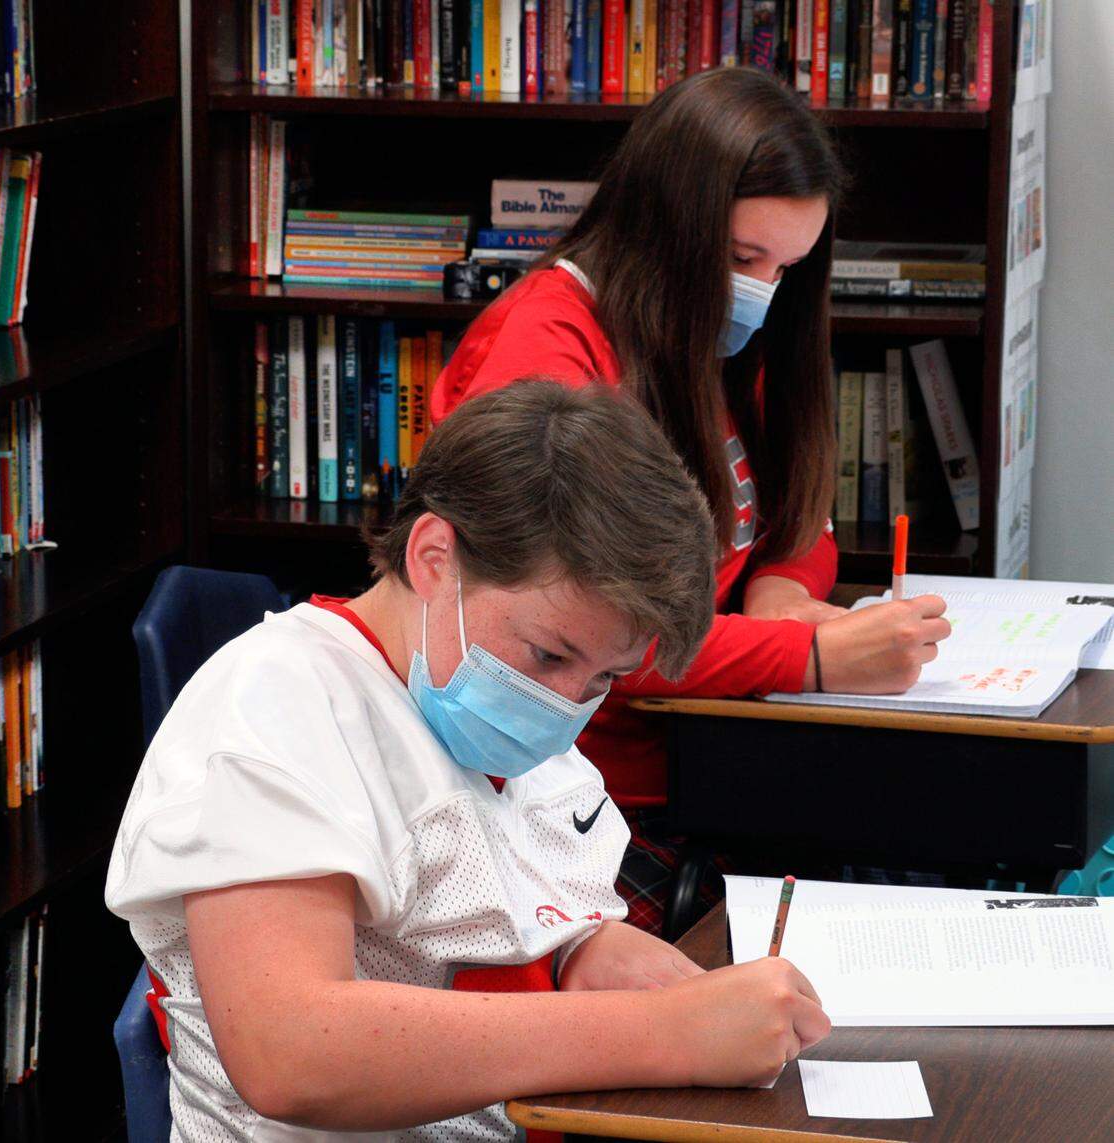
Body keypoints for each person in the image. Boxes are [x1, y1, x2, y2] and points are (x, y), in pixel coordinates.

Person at [105, 382, 831, 1141]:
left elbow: (494, 903)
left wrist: (581, 947)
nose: (566, 703)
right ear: (432, 558)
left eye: (605, 677)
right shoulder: (275, 703)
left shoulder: (485, 700)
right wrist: (664, 1030)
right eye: (549, 654)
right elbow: (291, 1051)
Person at [431, 67, 951, 929]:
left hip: (714, 762)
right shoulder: (553, 347)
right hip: (580, 799)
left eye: (785, 267)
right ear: (667, 221)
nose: (762, 289)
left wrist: (781, 585)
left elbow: (793, 506)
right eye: (744, 258)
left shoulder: (700, 331)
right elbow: (594, 637)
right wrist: (811, 658)